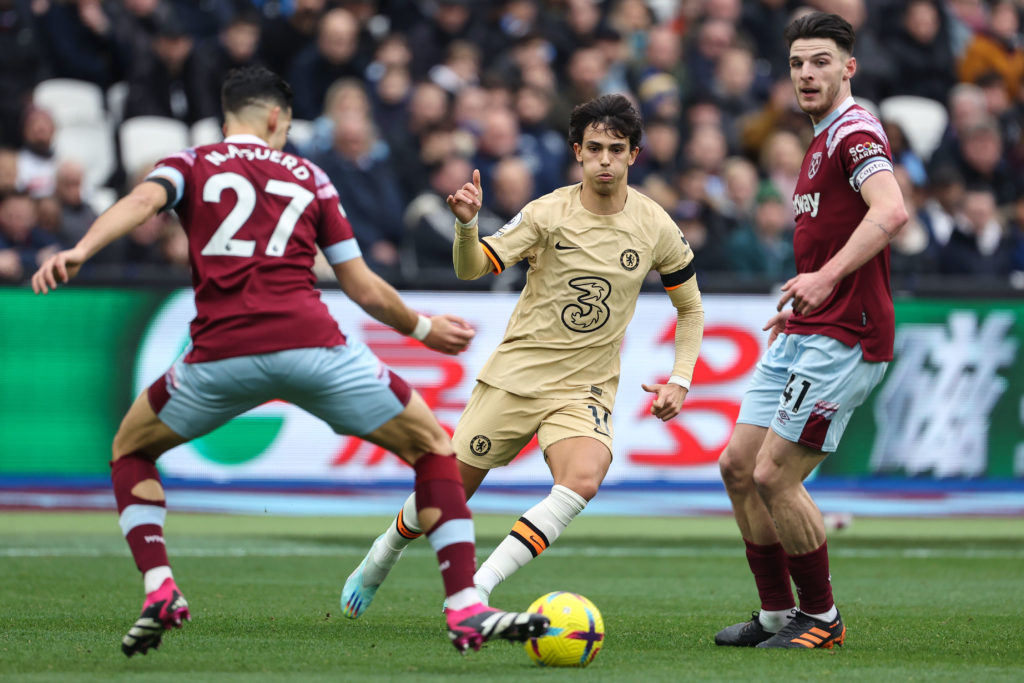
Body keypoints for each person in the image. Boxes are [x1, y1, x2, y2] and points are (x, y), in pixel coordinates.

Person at [31, 65, 547, 658]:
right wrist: (425, 329)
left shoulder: (191, 162)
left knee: (130, 449)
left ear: (230, 115)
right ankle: (464, 607)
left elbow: (144, 200)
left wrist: (79, 250)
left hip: (220, 354)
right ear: (276, 118)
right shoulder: (311, 178)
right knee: (432, 447)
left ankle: (159, 587)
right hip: (313, 347)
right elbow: (362, 286)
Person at [340, 93, 704, 617]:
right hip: (516, 379)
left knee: (582, 480)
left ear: (633, 156)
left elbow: (690, 309)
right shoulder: (547, 213)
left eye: (616, 149)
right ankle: (384, 552)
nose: (605, 160)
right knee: (443, 500)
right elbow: (471, 268)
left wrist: (681, 378)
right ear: (578, 151)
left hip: (586, 387)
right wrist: (467, 225)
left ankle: (477, 590)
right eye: (595, 148)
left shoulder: (656, 226)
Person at [714, 12, 908, 649]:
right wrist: (805, 300)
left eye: (821, 61)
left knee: (776, 475)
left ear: (848, 67)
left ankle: (821, 618)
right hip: (809, 326)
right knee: (738, 466)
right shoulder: (821, 137)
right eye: (797, 62)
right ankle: (775, 615)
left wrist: (824, 279)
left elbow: (891, 210)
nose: (806, 73)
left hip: (847, 335)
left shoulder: (855, 133)